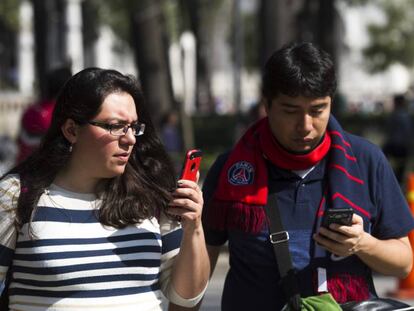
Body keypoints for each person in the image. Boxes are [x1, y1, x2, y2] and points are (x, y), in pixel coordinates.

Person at [199, 42, 414, 310]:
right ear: (267, 104)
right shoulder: (233, 171)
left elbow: (404, 262)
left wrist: (363, 244)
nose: (305, 126)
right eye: (290, 111)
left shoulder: (365, 160)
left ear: (331, 103)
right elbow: (197, 277)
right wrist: (188, 229)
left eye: (317, 110)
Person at [0, 68, 209, 310]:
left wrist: (194, 227)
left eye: (133, 126)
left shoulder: (153, 194)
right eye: (115, 126)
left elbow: (187, 297)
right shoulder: (17, 194)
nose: (130, 138)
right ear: (71, 130)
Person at [15, 66, 72, 164]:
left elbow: (19, 140)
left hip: (24, 166)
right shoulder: (63, 113)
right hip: (49, 171)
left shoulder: (30, 111)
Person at [382, 94, 413, 184]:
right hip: (401, 146)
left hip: (395, 145)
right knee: (400, 168)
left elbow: (388, 130)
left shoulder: (395, 115)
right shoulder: (404, 115)